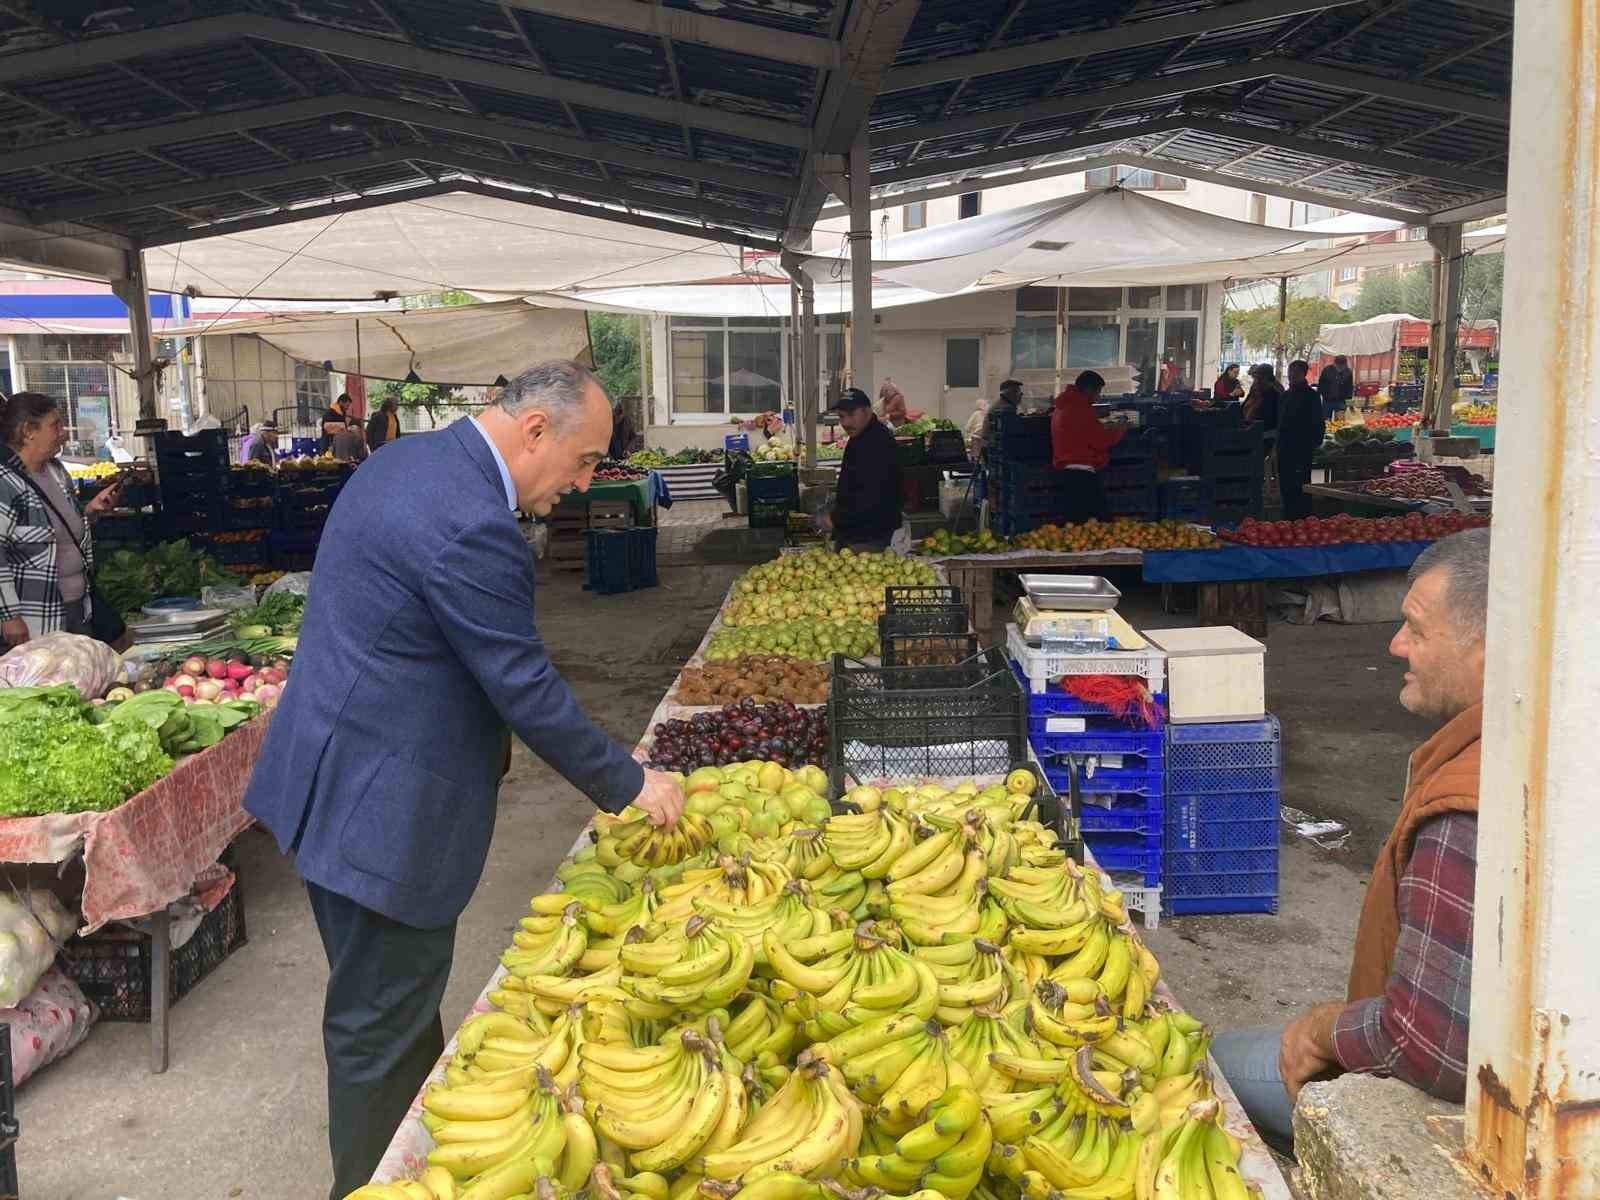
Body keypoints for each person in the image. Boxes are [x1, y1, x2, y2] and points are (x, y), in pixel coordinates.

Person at [241, 361, 686, 1198]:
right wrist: (628, 782)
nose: (583, 485)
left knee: (392, 1008)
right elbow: (522, 685)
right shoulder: (471, 523)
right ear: (535, 430)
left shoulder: (406, 461)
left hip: (328, 778)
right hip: (380, 815)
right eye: (585, 462)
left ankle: (418, 1165)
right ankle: (369, 1186)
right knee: (377, 1026)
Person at [1211, 529, 1488, 1152]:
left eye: (1417, 629)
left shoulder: (1462, 813)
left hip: (1453, 1110)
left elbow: (1429, 1045)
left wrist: (1324, 1029)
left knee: (1220, 1062)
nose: (1395, 644)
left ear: (1488, 649)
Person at [0, 391, 122, 645]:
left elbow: (60, 531)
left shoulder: (56, 471)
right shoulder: (6, 483)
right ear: (28, 431)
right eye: (55, 425)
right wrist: (9, 616)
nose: (63, 433)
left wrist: (90, 511)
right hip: (36, 619)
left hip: (79, 605)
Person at [824, 387, 902, 551]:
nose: (845, 422)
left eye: (851, 415)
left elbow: (871, 495)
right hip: (855, 532)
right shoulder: (859, 436)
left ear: (867, 412)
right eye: (841, 416)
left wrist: (836, 519)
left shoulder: (879, 442)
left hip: (870, 536)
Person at [1050, 370, 1125, 523]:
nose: (1099, 397)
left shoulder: (1064, 404)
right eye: (1098, 392)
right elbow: (1101, 440)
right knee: (1100, 522)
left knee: (1077, 522)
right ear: (1089, 389)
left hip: (1069, 471)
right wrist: (1120, 428)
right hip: (1082, 474)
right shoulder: (1080, 409)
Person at [1277, 361, 1326, 519]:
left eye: (1296, 372)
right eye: (1290, 371)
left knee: (1301, 485)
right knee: (1286, 485)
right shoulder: (1285, 395)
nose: (1292, 375)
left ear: (1303, 374)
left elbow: (1318, 422)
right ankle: (1288, 518)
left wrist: (1312, 444)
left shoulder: (1311, 396)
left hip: (1301, 448)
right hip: (1284, 447)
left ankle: (1303, 519)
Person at [1318, 354, 1355, 421]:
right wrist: (1322, 396)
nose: (1340, 368)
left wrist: (1351, 405)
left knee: (1340, 422)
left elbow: (1349, 389)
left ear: (1345, 364)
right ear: (1334, 363)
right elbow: (1321, 385)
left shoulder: (1348, 372)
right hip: (1327, 401)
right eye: (1338, 366)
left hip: (1341, 401)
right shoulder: (1327, 370)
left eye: (1342, 366)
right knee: (1326, 421)